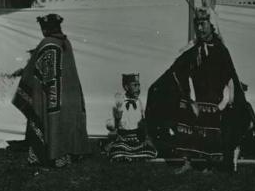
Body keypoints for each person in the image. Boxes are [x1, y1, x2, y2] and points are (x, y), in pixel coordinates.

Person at [146, 7, 251, 173]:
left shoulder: (220, 50)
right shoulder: (193, 49)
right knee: (176, 110)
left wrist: (227, 98)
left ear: (211, 25)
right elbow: (176, 71)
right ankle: (187, 161)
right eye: (197, 24)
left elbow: (230, 76)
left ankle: (208, 163)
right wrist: (175, 92)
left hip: (214, 99)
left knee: (211, 130)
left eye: (203, 24)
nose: (200, 28)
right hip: (194, 98)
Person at [12, 14, 90, 167]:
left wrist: (25, 72)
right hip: (69, 95)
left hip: (51, 97)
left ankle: (49, 155)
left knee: (47, 120)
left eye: (43, 28)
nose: (42, 31)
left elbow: (36, 70)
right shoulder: (66, 42)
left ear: (47, 28)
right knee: (67, 121)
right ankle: (71, 154)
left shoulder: (47, 43)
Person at [106, 73, 157, 162]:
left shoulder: (139, 102)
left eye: (139, 85)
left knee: (151, 151)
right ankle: (127, 155)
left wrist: (145, 133)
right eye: (135, 85)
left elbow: (143, 121)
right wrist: (116, 119)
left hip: (136, 139)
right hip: (123, 139)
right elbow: (109, 125)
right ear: (126, 87)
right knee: (117, 151)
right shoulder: (119, 101)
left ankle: (131, 156)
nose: (138, 88)